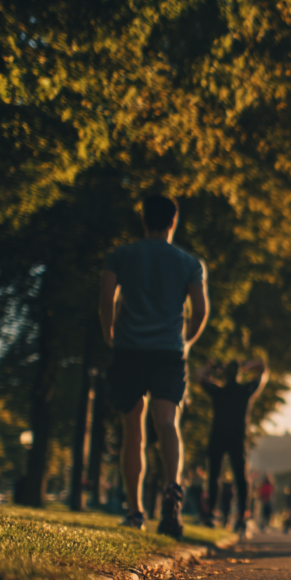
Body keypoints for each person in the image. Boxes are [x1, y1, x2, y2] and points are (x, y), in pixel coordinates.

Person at [99, 194, 208, 538]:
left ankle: (135, 512)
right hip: (168, 353)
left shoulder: (120, 255)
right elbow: (200, 310)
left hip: (129, 350)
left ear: (144, 220)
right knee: (166, 422)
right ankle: (172, 492)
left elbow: (106, 299)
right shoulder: (190, 263)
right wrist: (185, 342)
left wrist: (110, 335)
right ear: (174, 222)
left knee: (134, 430)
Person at [197, 358, 268, 533]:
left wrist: (212, 367)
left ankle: (210, 515)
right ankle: (242, 517)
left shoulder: (218, 392)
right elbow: (263, 373)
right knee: (241, 479)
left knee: (214, 477)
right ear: (239, 373)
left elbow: (199, 376)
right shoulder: (245, 391)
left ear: (226, 373)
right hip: (237, 439)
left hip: (218, 437)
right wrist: (252, 365)